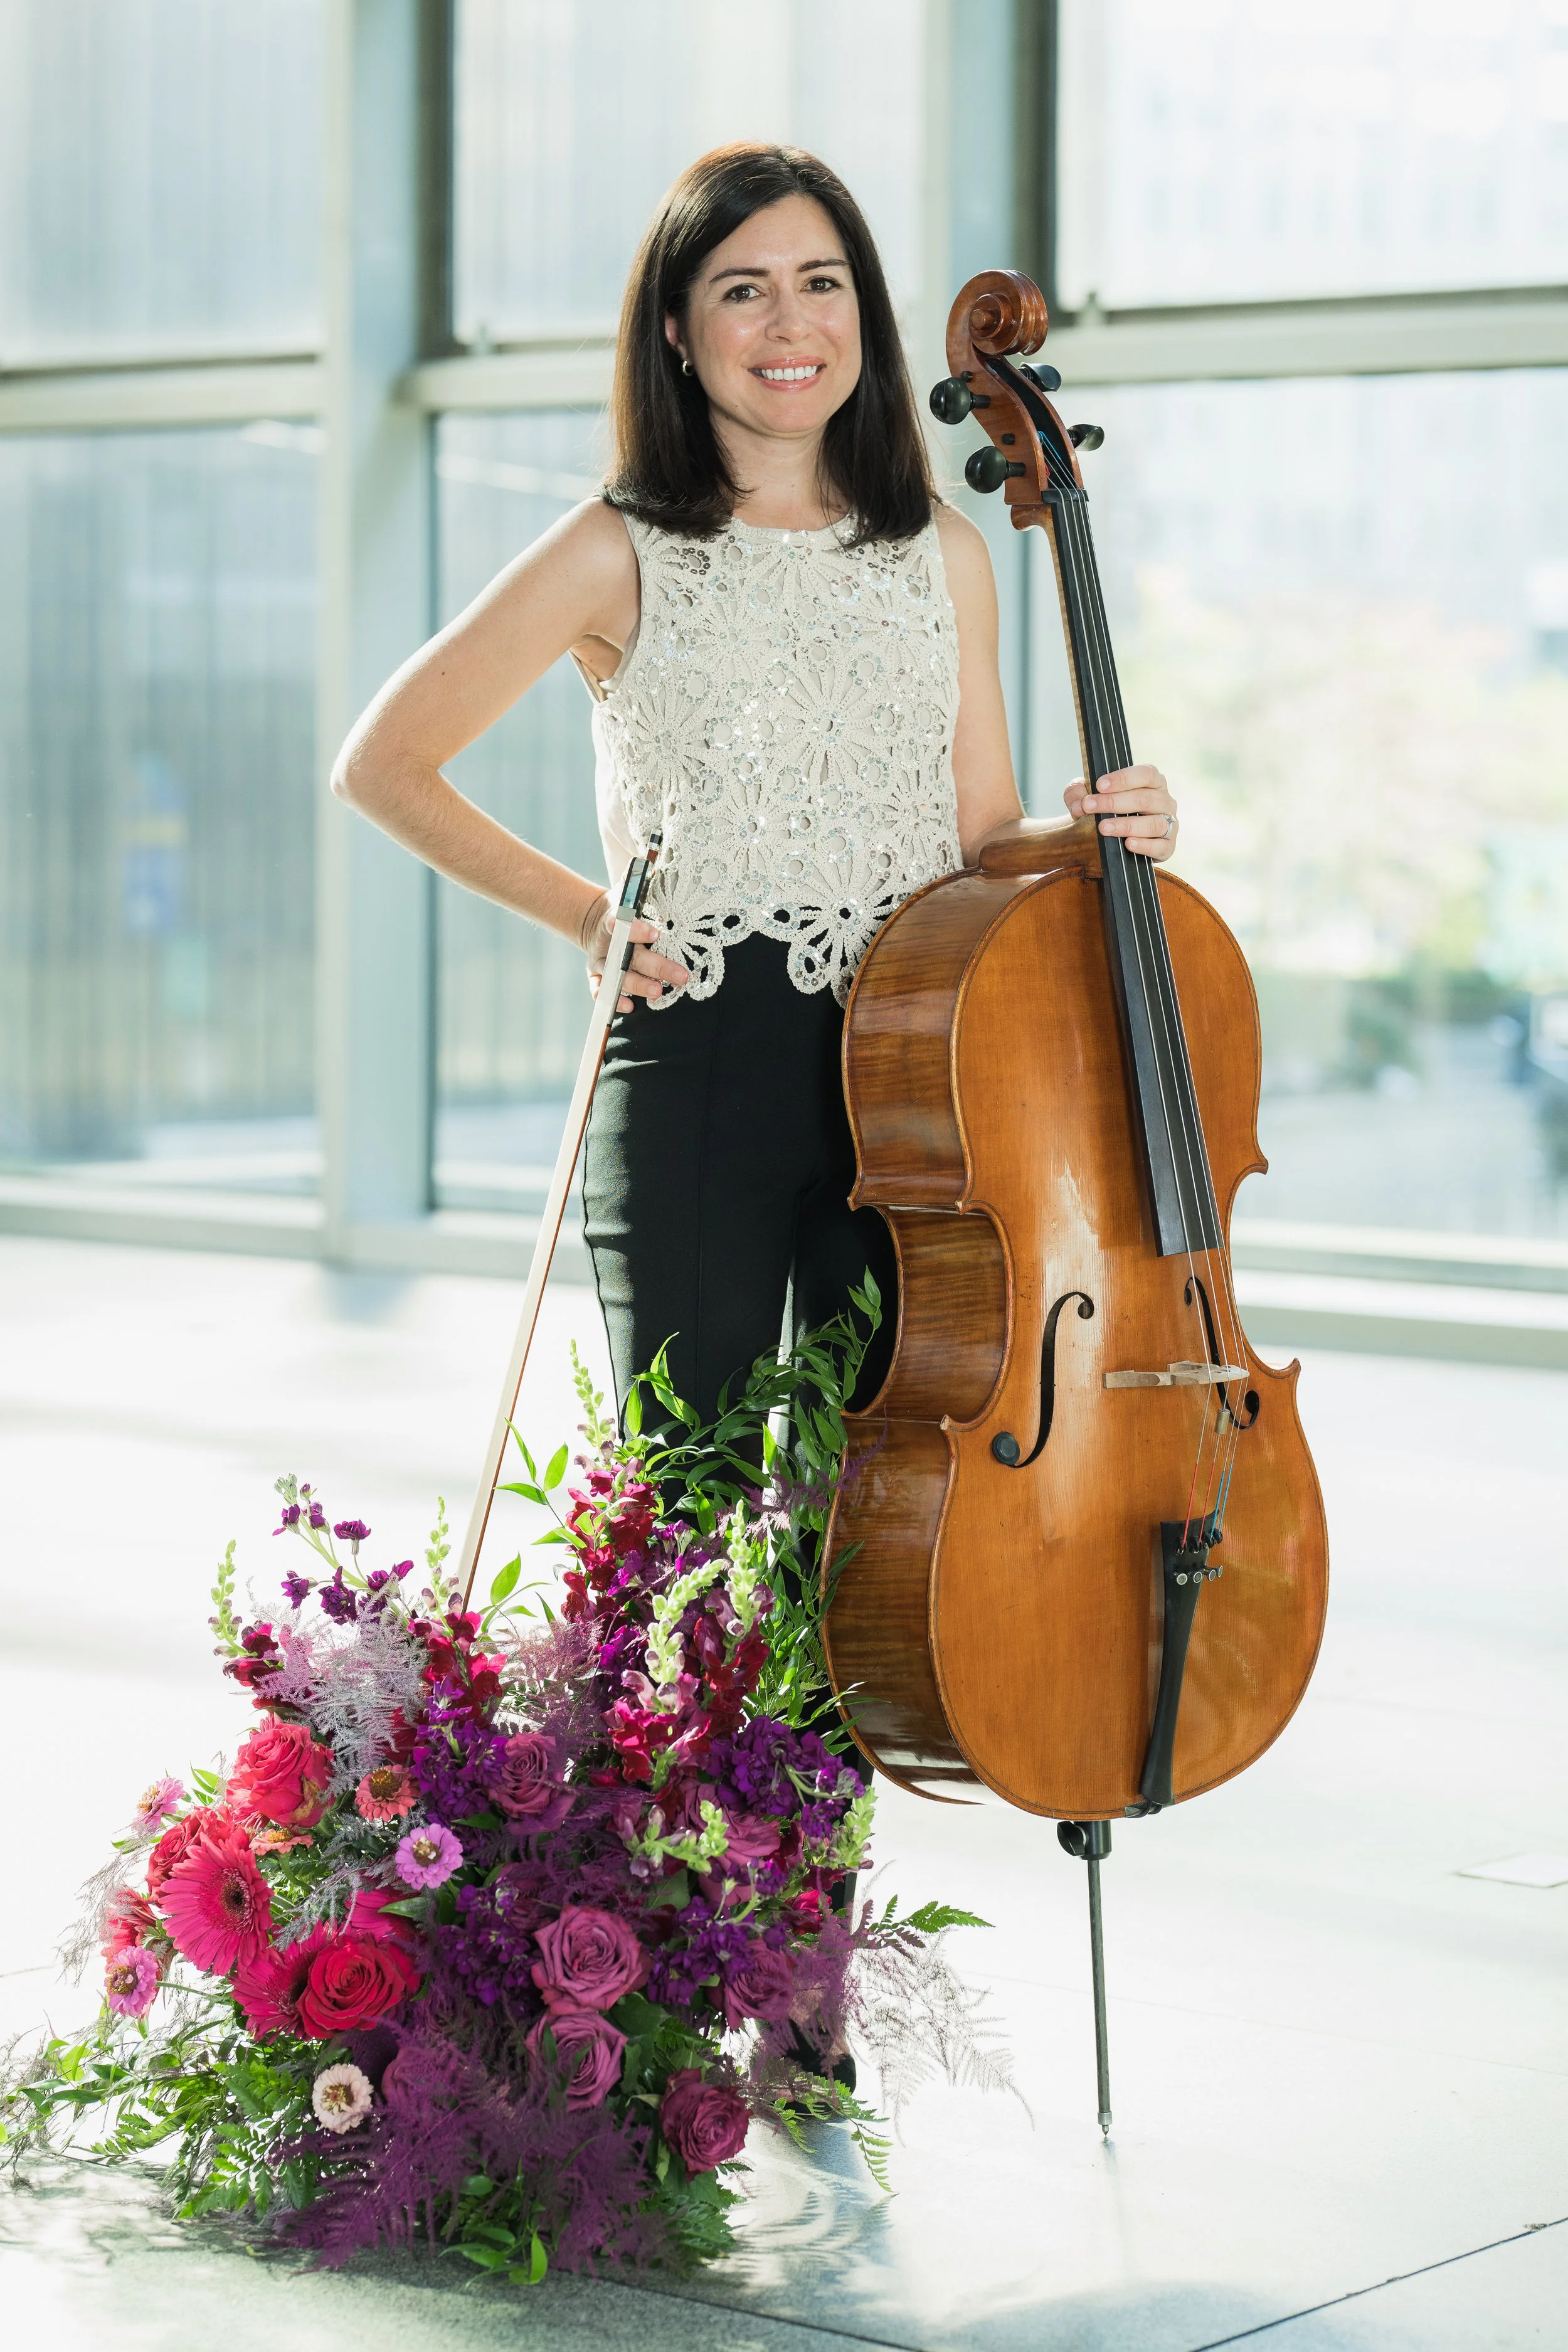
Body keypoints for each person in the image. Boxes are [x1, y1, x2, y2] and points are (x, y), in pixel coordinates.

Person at [331, 143, 1179, 1430]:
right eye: (743, 290)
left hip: (913, 1072)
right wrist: (587, 919)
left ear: (862, 317)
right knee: (685, 1499)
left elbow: (981, 834)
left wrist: (1097, 836)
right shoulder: (614, 545)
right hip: (701, 1060)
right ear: (676, 330)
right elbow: (384, 764)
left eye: (821, 282)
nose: (790, 325)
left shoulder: (942, 553)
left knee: (877, 1504)